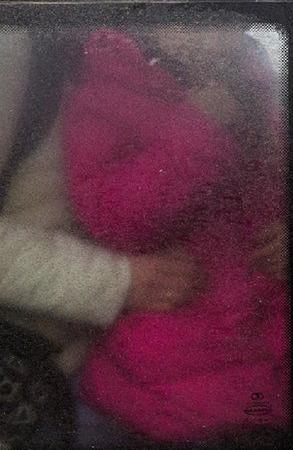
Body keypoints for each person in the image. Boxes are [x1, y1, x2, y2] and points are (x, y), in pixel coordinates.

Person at [61, 27, 288, 442]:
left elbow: (289, 180)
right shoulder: (108, 88)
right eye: (185, 21)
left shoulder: (257, 78)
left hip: (271, 359)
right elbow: (117, 223)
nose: (213, 35)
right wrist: (200, 129)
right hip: (169, 379)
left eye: (228, 20)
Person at [0, 28, 204, 447]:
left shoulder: (153, 48)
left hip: (119, 359)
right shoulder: (18, 42)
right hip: (26, 377)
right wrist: (119, 281)